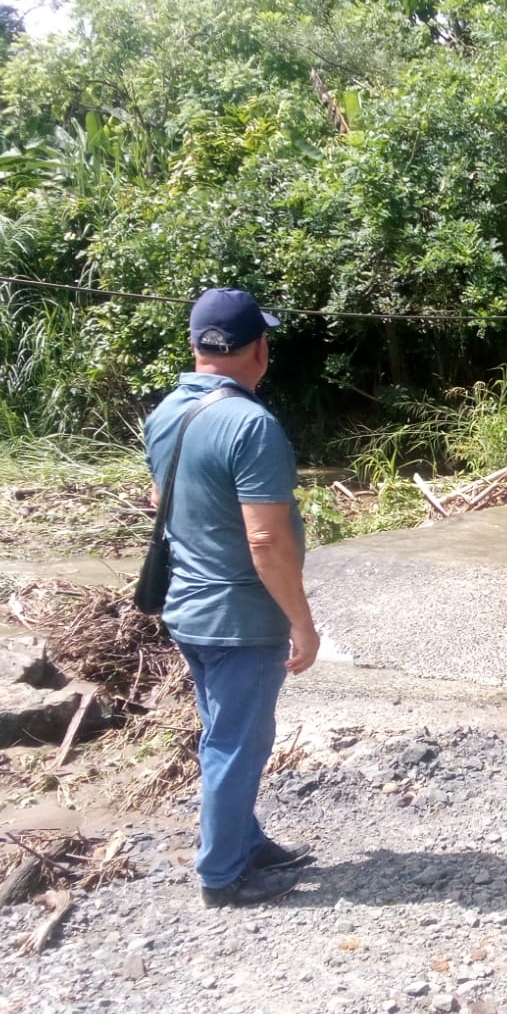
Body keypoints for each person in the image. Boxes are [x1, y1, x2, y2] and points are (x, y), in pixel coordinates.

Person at [144, 287, 320, 907]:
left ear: (197, 346)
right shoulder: (251, 424)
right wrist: (301, 621)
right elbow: (265, 539)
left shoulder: (166, 412)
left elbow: (167, 502)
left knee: (223, 732)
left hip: (188, 607)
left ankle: (245, 840)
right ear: (259, 349)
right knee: (237, 743)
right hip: (239, 617)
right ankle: (223, 875)